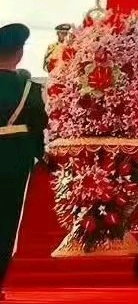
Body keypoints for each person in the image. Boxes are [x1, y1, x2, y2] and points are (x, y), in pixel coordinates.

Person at [0, 23, 47, 303]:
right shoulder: (29, 89)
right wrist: (41, 156)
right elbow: (39, 126)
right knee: (5, 223)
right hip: (14, 160)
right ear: (19, 54)